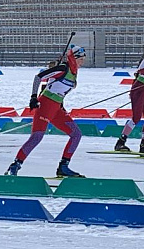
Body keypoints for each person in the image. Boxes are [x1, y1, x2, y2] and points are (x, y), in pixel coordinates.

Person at [6, 45, 86, 178]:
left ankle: (63, 167)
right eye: (81, 59)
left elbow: (60, 91)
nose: (82, 62)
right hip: (45, 106)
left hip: (57, 109)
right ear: (74, 58)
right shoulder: (63, 68)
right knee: (37, 137)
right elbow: (38, 77)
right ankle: (15, 165)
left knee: (76, 134)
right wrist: (33, 97)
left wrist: (61, 104)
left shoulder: (73, 72)